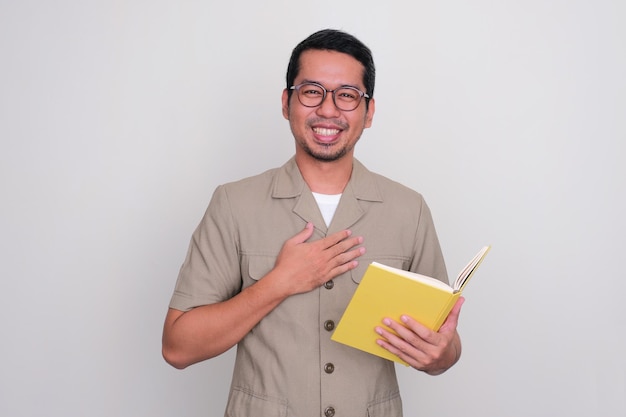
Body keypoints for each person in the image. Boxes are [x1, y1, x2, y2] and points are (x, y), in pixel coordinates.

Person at [162, 28, 463, 417]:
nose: (328, 109)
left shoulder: (410, 209)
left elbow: (445, 345)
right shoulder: (233, 204)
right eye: (311, 91)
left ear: (368, 112)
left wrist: (443, 355)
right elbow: (177, 347)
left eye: (347, 95)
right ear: (287, 102)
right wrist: (278, 283)